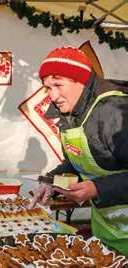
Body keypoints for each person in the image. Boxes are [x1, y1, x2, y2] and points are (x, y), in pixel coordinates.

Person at [31, 46, 128, 256]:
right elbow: (77, 162)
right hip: (108, 233)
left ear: (81, 81)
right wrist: (51, 181)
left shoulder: (113, 112)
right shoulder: (71, 115)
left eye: (58, 85)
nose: (52, 95)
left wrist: (97, 188)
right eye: (48, 87)